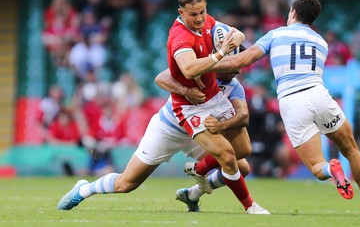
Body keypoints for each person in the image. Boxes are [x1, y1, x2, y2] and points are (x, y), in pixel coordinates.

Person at [211, 0, 360, 216]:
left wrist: (204, 66)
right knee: (350, 149)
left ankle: (331, 169)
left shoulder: (276, 34)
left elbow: (241, 61)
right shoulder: (322, 42)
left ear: (292, 12)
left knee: (317, 167)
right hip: (319, 94)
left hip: (292, 100)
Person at [56, 69, 258, 213]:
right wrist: (186, 91)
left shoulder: (234, 86)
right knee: (126, 183)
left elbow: (244, 116)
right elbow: (161, 77)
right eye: (234, 62)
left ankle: (192, 194)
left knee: (240, 167)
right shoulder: (198, 67)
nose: (239, 69)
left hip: (199, 132)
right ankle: (83, 189)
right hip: (169, 128)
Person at [164, 0, 268, 214]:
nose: (200, 18)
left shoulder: (207, 22)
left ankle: (200, 170)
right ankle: (250, 206)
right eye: (193, 14)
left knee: (243, 150)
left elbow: (238, 34)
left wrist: (234, 39)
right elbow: (189, 69)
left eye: (202, 11)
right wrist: (220, 53)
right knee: (228, 157)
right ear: (181, 13)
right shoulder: (180, 37)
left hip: (213, 96)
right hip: (190, 106)